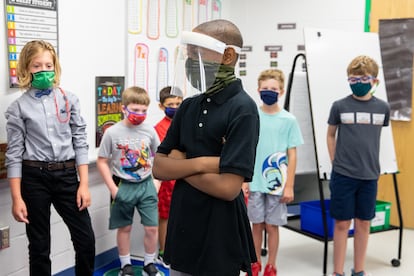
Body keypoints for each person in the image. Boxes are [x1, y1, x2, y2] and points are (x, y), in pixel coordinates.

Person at [152, 19, 260, 276]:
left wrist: (181, 163)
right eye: (188, 52)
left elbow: (227, 188)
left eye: (197, 52)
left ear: (228, 55)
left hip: (219, 236)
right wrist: (207, 162)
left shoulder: (243, 109)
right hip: (182, 228)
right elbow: (159, 167)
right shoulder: (188, 106)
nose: (191, 59)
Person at [5, 40, 95, 276]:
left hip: (67, 176)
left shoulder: (69, 100)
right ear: (26, 69)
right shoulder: (18, 108)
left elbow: (80, 141)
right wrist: (17, 198)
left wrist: (83, 184)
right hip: (35, 178)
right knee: (39, 246)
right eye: (37, 66)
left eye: (48, 65)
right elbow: (14, 154)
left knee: (85, 239)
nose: (44, 70)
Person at [327, 55, 390, 276]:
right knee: (342, 224)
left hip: (369, 175)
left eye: (363, 78)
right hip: (343, 175)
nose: (358, 82)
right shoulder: (339, 106)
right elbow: (330, 135)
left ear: (375, 80)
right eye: (353, 79)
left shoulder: (383, 108)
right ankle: (337, 272)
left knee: (364, 223)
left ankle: (359, 270)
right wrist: (336, 162)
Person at [97, 86, 161, 276]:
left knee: (151, 227)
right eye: (135, 110)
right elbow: (102, 161)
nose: (140, 114)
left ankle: (149, 263)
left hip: (146, 184)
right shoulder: (112, 133)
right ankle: (126, 266)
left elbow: (159, 157)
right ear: (124, 108)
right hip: (122, 184)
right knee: (124, 227)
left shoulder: (149, 130)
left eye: (143, 111)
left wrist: (157, 182)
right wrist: (112, 188)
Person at [247, 69, 304, 276]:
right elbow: (247, 147)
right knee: (256, 225)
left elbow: (293, 154)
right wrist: (244, 180)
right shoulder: (252, 116)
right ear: (258, 90)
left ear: (281, 91)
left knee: (272, 226)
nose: (269, 92)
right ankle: (254, 263)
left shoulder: (288, 120)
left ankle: (271, 265)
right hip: (254, 181)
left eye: (273, 89)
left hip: (277, 184)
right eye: (265, 89)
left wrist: (289, 185)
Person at [154, 86, 183, 268]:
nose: (175, 107)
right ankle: (164, 252)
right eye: (170, 104)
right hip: (166, 182)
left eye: (178, 103)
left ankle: (180, 248)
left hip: (184, 178)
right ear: (161, 106)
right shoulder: (159, 128)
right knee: (165, 217)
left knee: (183, 216)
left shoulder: (186, 123)